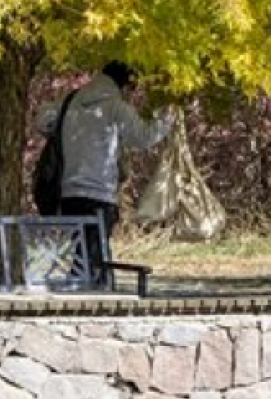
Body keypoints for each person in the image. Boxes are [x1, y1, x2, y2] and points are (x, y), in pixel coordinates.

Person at [36, 61, 173, 287]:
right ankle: (92, 291)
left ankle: (89, 285)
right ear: (124, 86)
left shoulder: (72, 101)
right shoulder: (115, 108)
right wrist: (167, 118)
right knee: (94, 255)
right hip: (100, 193)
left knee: (86, 251)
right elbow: (143, 137)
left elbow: (43, 120)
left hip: (69, 191)